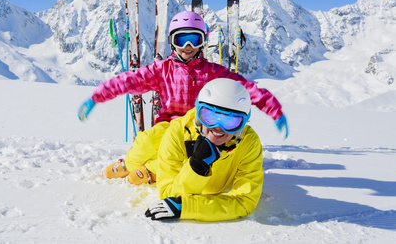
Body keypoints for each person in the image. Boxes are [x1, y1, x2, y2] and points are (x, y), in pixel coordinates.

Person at [78, 11, 288, 184]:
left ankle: (153, 170)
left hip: (199, 125)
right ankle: (128, 164)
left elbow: (243, 88)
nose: (188, 46)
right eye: (182, 39)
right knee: (148, 141)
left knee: (194, 157)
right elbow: (129, 80)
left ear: (202, 43)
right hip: (168, 125)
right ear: (172, 42)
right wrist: (96, 97)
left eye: (194, 39)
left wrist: (273, 110)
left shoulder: (212, 72)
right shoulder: (162, 70)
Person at [145, 78, 263, 221]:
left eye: (231, 121)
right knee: (147, 143)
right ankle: (143, 166)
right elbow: (168, 195)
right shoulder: (177, 133)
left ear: (242, 126)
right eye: (209, 116)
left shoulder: (249, 143)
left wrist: (187, 207)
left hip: (207, 179)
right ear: (198, 117)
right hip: (170, 156)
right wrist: (197, 166)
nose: (218, 127)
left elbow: (245, 201)